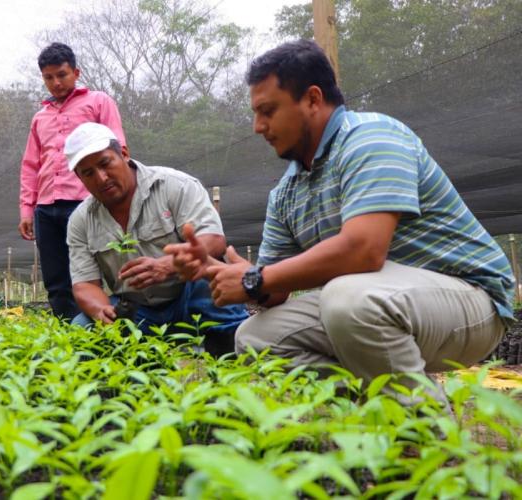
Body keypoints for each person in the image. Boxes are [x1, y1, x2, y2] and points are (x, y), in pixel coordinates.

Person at [167, 40, 515, 403]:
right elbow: (275, 291)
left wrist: (256, 278)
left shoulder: (371, 138)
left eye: (268, 111)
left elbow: (364, 251)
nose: (257, 127)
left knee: (347, 299)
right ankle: (372, 417)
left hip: (473, 300)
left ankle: (426, 437)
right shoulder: (286, 192)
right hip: (382, 304)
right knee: (256, 338)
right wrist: (226, 273)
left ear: (313, 99)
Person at [65, 123, 249, 356]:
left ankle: (228, 346)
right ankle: (131, 374)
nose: (101, 178)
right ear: (79, 178)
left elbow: (213, 240)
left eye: (105, 163)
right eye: (88, 173)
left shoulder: (175, 186)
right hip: (135, 308)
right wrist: (102, 309)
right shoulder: (81, 220)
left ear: (124, 153)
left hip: (188, 294)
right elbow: (84, 285)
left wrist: (169, 265)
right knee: (82, 329)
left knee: (207, 278)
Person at [19, 42, 126, 320]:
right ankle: (70, 334)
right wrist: (26, 209)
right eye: (48, 77)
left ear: (76, 72)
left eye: (62, 74)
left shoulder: (98, 102)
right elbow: (31, 165)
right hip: (46, 206)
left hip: (86, 202)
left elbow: (118, 149)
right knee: (56, 278)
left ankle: (105, 330)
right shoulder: (40, 118)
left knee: (95, 270)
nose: (56, 82)